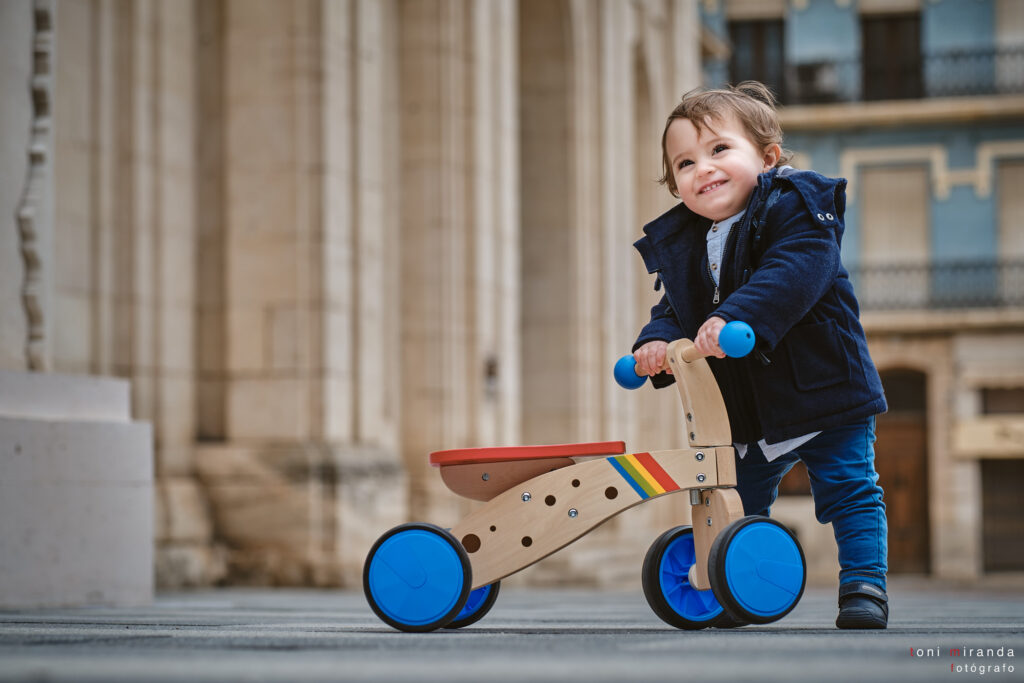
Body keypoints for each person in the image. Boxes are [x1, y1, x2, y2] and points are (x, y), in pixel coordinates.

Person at [630, 81, 889, 629]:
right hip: (748, 409)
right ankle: (736, 584)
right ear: (676, 185)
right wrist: (654, 342)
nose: (702, 168)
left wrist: (733, 318)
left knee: (848, 488)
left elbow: (795, 272)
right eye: (684, 163)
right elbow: (675, 306)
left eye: (719, 149)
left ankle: (864, 585)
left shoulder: (796, 207)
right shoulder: (689, 243)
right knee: (735, 497)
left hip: (824, 389)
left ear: (767, 157)